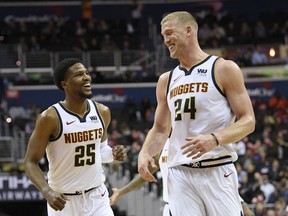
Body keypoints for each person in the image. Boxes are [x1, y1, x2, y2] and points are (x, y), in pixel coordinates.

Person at [138, 11, 255, 216]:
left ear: (188, 31)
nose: (166, 40)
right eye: (163, 35)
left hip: (217, 169)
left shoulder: (223, 69)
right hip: (180, 172)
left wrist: (215, 139)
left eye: (169, 33)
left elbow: (248, 120)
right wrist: (145, 152)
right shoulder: (166, 80)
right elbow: (160, 128)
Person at [24, 58, 127, 216]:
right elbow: (30, 162)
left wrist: (112, 154)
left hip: (97, 197)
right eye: (79, 74)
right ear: (65, 84)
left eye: (86, 73)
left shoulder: (102, 111)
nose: (87, 77)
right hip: (63, 201)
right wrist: (46, 191)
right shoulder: (50, 118)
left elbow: (101, 151)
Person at [110, 139, 255, 216]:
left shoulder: (194, 144)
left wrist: (241, 203)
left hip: (206, 198)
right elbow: (144, 175)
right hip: (174, 205)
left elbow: (209, 175)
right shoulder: (164, 146)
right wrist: (122, 191)